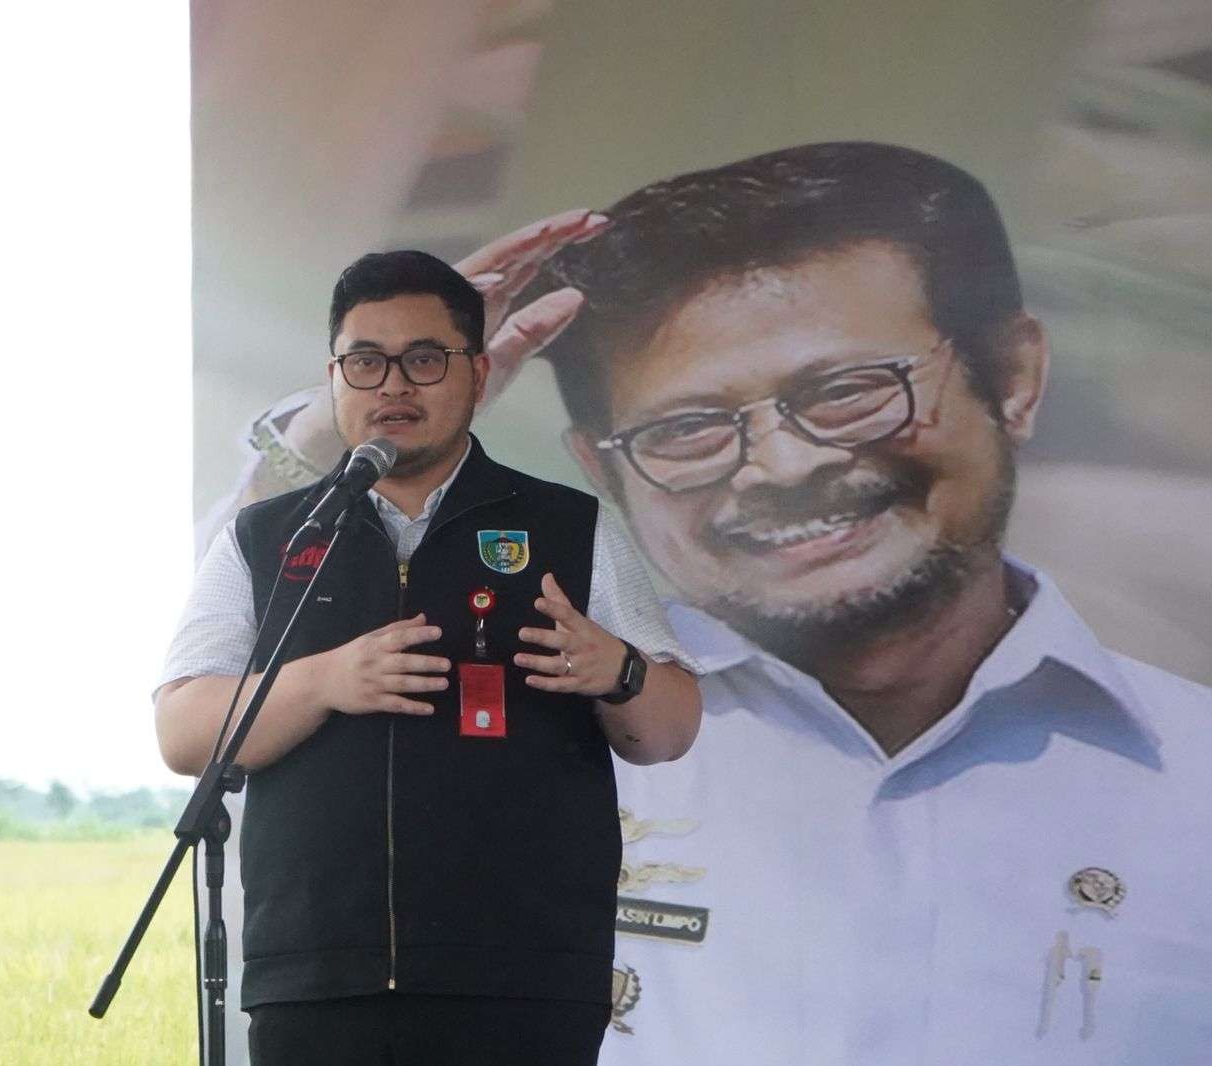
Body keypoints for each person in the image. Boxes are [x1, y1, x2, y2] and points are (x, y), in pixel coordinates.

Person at [226, 144, 1212, 1064]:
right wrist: (358, 429)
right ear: (599, 471)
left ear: (1015, 377)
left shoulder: (1194, 774)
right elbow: (228, 630)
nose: (782, 467)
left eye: (848, 390)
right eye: (687, 429)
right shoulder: (540, 720)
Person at [155, 250, 703, 1066]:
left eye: (425, 359)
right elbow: (184, 732)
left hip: (522, 977)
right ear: (334, 376)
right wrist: (327, 681)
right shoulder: (267, 538)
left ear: (478, 374)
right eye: (366, 362)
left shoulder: (570, 528)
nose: (393, 386)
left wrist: (618, 669)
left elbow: (667, 728)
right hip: (317, 973)